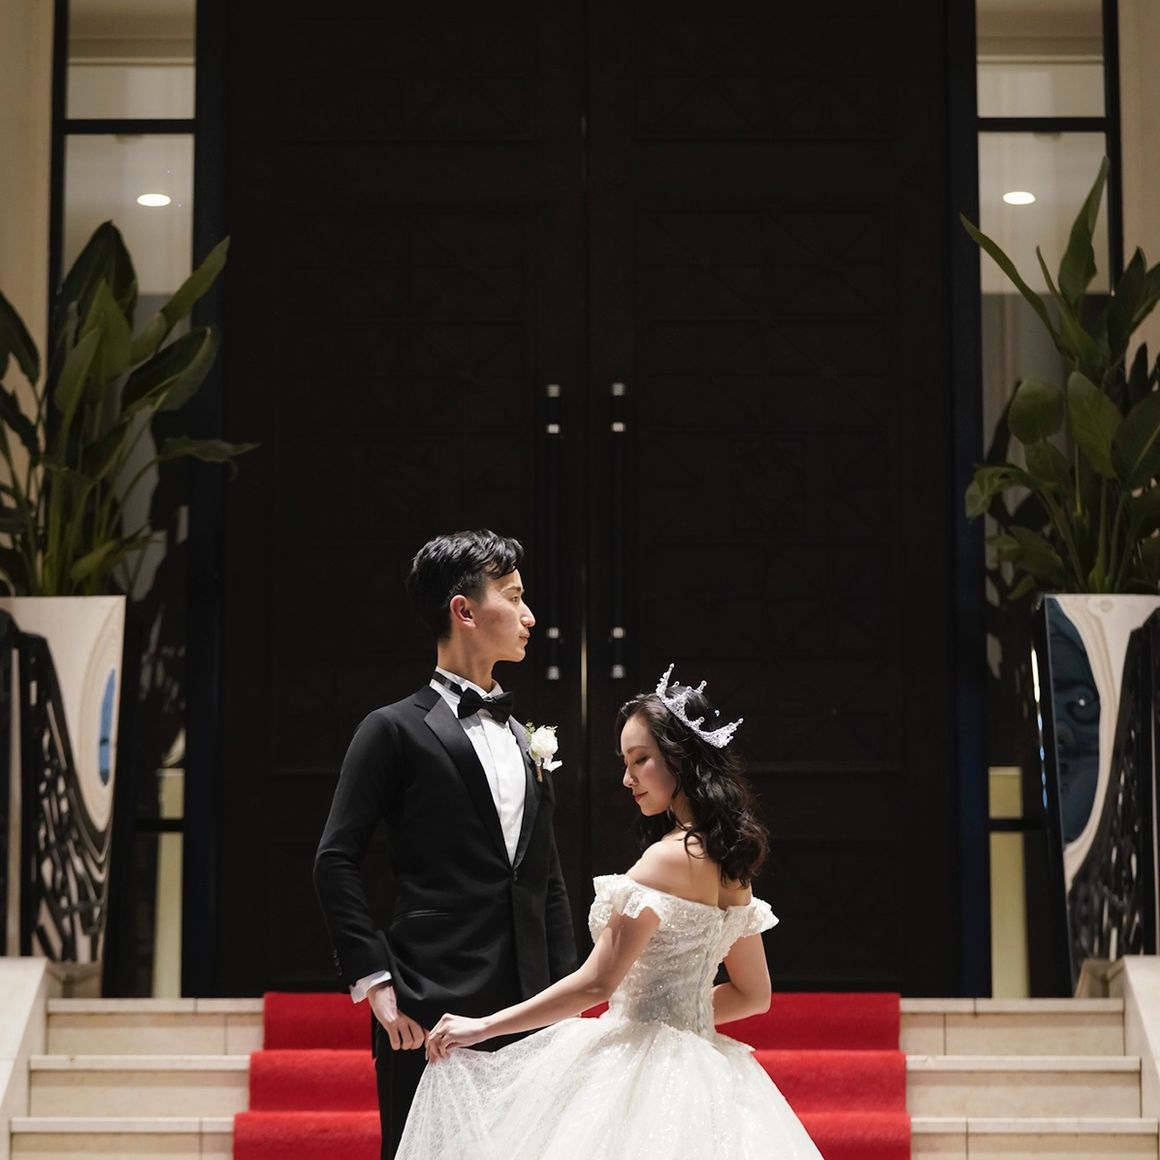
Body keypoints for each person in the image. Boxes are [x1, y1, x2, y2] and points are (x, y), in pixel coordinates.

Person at [395, 666, 825, 1160]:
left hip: (641, 1068)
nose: (627, 778)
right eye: (625, 762)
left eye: (641, 760)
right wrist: (680, 1012)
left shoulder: (665, 859)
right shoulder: (731, 865)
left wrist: (482, 1026)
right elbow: (753, 994)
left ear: (681, 758)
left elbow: (596, 985)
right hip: (708, 1066)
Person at [313, 530, 576, 1159]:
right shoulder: (391, 729)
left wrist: (566, 998)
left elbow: (546, 879)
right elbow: (335, 860)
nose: (529, 616)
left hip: (530, 1010)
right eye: (513, 596)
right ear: (464, 610)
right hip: (427, 1005)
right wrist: (377, 982)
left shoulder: (525, 738)